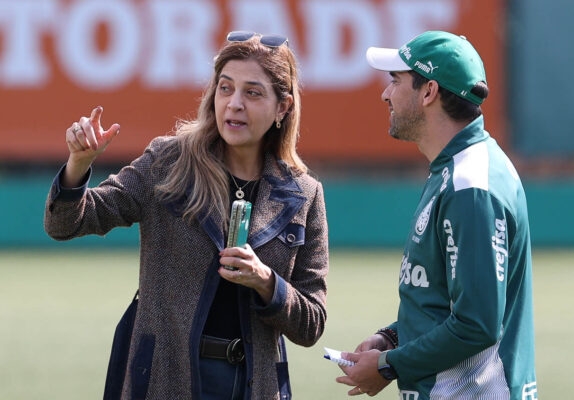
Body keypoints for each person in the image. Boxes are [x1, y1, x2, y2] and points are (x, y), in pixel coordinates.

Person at [44, 31, 329, 400]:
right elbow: (68, 223)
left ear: (283, 107)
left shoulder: (305, 194)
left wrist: (265, 281)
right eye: (225, 88)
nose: (234, 104)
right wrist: (78, 165)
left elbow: (312, 324)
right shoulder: (169, 163)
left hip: (254, 388)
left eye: (252, 93)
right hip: (164, 381)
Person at [335, 31, 537, 399]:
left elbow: (477, 324)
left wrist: (388, 365)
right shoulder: (456, 170)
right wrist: (392, 337)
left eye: (395, 81)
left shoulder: (470, 186)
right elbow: (448, 299)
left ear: (428, 92)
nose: (385, 93)